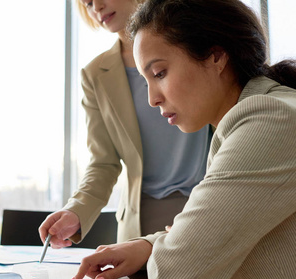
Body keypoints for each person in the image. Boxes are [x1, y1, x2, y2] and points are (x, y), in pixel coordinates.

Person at [69, 0, 296, 279]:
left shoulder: (268, 121)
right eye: (145, 80)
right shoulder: (258, 112)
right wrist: (152, 244)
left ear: (216, 56)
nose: (152, 99)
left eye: (160, 73)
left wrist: (170, 243)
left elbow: (173, 277)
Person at [39, 0, 211, 249]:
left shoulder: (191, 44)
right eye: (87, 3)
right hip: (140, 218)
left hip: (208, 202)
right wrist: (76, 211)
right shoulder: (95, 74)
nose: (96, 6)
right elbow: (103, 162)